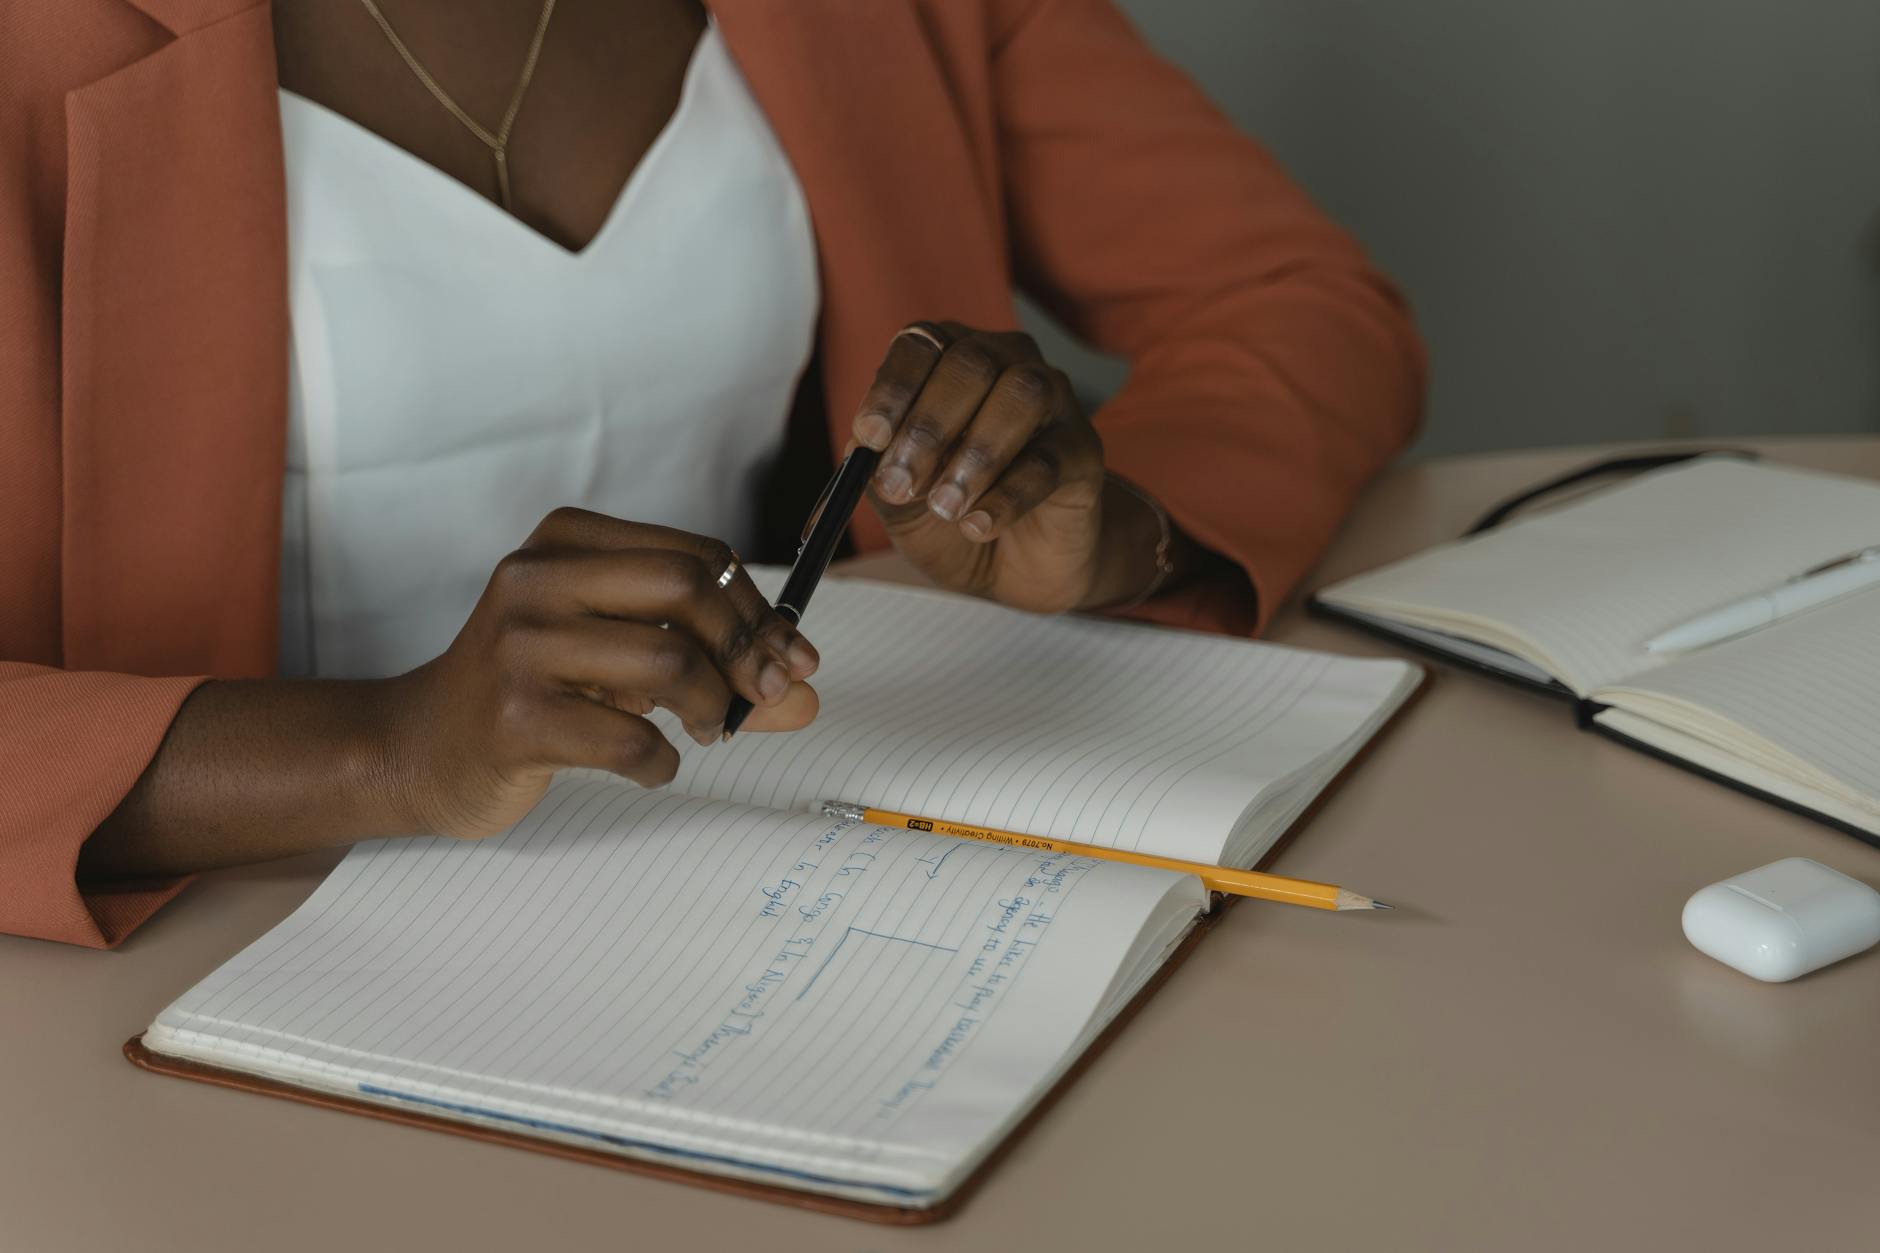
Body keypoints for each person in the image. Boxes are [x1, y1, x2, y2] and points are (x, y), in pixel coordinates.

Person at [0, 0, 1424, 948]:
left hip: (767, 898)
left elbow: (1295, 301)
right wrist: (392, 747)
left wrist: (1115, 537)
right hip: (210, 960)